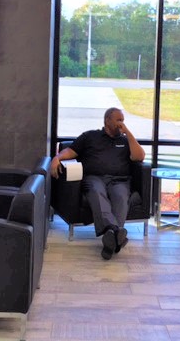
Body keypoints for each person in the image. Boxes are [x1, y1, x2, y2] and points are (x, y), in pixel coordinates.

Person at [50, 107, 145, 260]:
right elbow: (71, 151)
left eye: (123, 120)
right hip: (94, 178)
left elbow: (139, 156)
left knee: (121, 197)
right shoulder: (90, 136)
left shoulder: (125, 140)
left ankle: (110, 238)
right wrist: (57, 158)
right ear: (107, 120)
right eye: (118, 120)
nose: (121, 123)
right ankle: (116, 233)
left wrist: (128, 133)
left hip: (119, 180)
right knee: (96, 192)